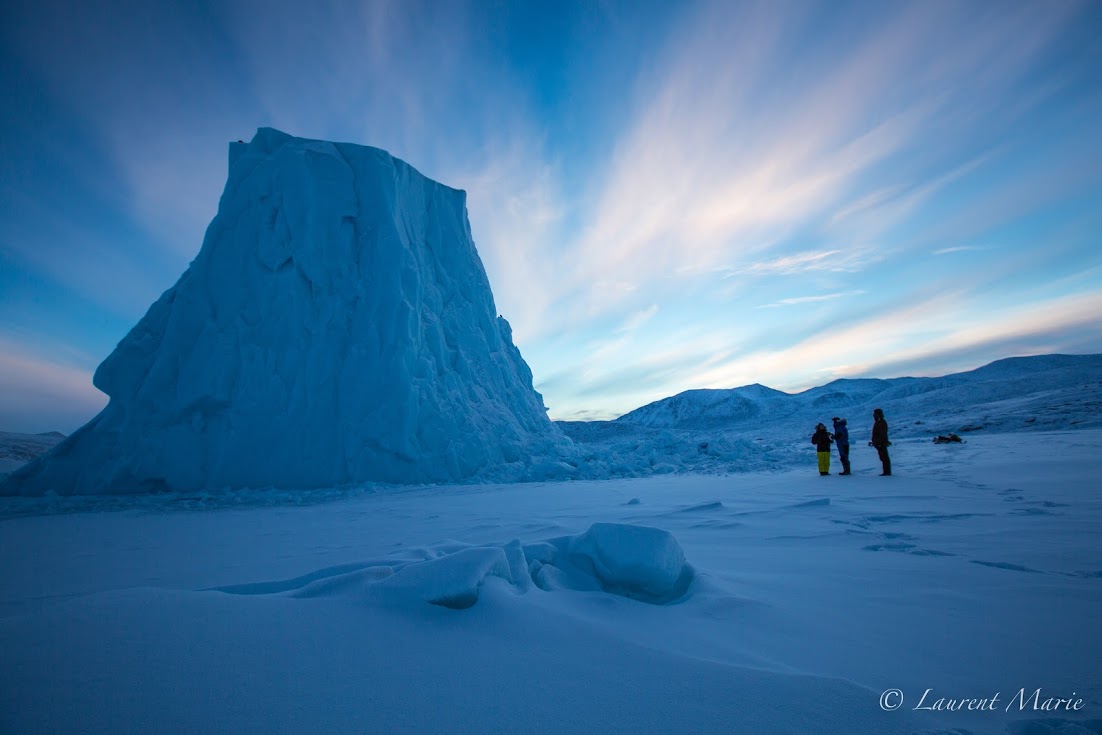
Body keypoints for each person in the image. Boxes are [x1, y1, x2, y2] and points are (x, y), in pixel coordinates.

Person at [869, 408, 891, 476]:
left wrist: (879, 443)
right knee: (883, 457)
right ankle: (886, 471)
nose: (873, 415)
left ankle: (887, 472)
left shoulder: (881, 422)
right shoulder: (879, 422)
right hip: (879, 443)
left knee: (884, 458)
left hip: (881, 443)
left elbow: (882, 434)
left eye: (875, 414)